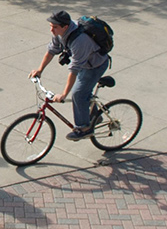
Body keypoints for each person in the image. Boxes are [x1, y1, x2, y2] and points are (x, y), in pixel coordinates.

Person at [29, 11, 109, 142]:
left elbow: (74, 69)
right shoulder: (58, 33)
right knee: (83, 91)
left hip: (95, 65)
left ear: (65, 27)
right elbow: (51, 51)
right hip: (84, 63)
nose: (51, 29)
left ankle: (84, 128)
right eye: (50, 26)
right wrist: (39, 69)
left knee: (78, 94)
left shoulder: (80, 40)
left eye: (54, 27)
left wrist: (64, 94)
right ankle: (95, 115)